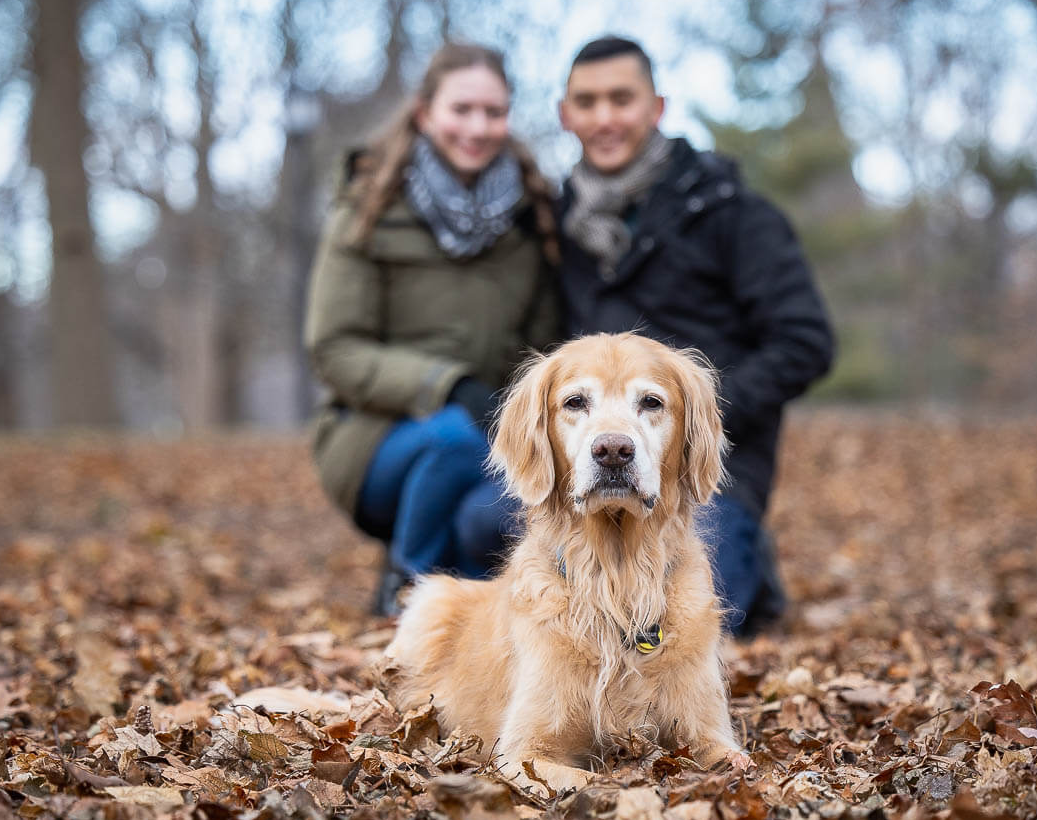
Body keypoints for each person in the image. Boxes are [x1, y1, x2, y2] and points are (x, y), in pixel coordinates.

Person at [554, 35, 835, 636]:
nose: (605, 118)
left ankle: (749, 560)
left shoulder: (731, 212)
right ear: (565, 115)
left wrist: (694, 413)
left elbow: (805, 341)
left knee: (687, 618)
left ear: (657, 107)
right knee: (480, 525)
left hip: (711, 475)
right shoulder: (554, 227)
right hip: (587, 460)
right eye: (588, 102)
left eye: (621, 99)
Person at [304, 42, 558, 617]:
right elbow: (334, 349)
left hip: (492, 432)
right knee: (453, 438)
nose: (478, 127)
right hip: (375, 439)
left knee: (491, 514)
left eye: (493, 112)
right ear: (424, 114)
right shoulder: (368, 209)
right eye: (461, 109)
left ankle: (467, 618)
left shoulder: (529, 217)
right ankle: (404, 591)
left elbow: (542, 348)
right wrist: (447, 386)